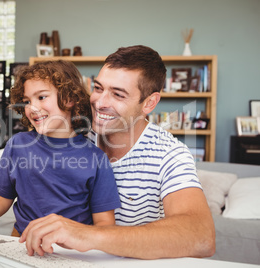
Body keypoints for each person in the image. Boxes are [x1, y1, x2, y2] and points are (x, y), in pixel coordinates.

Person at [19, 45, 216, 259]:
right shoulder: (70, 133)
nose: (100, 103)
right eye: (98, 88)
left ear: (149, 103)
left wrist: (89, 235)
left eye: (118, 94)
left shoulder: (169, 154)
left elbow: (202, 238)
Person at [0, 60, 121, 236]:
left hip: (70, 253)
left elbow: (104, 224)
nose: (32, 108)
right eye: (26, 101)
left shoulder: (96, 159)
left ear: (69, 99)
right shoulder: (18, 145)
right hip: (21, 245)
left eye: (41, 97)